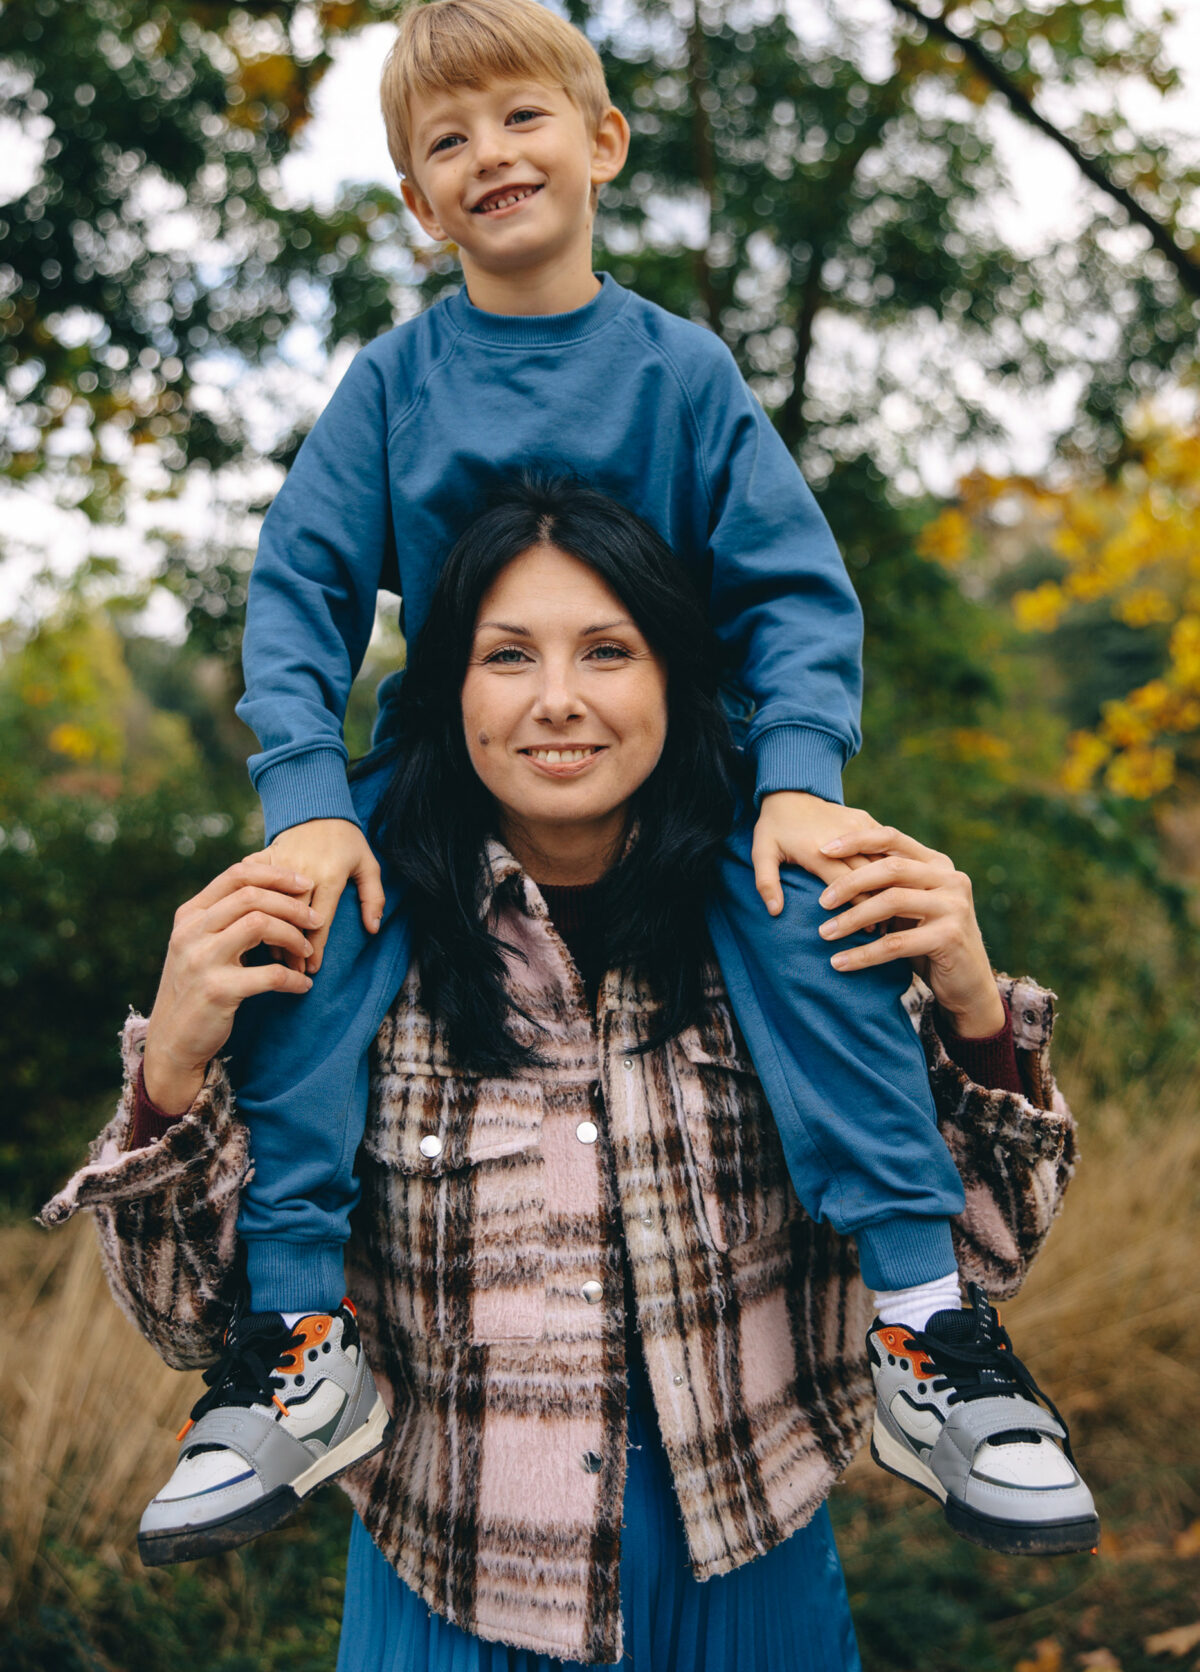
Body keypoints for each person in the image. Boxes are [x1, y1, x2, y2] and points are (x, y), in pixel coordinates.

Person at [183, 0, 1083, 1553]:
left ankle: (928, 1332)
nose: (490, 155)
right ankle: (294, 1342)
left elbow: (794, 592)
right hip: (429, 774)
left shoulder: (677, 374)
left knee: (817, 921)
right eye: (446, 141)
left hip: (698, 769)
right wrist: (304, 802)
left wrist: (799, 774)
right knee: (309, 937)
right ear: (417, 201)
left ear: (602, 141)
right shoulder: (393, 387)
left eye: (523, 117)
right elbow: (300, 594)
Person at [44, 485, 1096, 1670]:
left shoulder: (801, 924)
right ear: (449, 688)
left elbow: (995, 1257)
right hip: (450, 1604)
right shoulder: (337, 941)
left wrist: (971, 1013)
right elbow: (186, 1324)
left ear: (673, 679)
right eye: (507, 655)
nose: (557, 700)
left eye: (609, 650)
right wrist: (173, 1071)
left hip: (757, 1587)